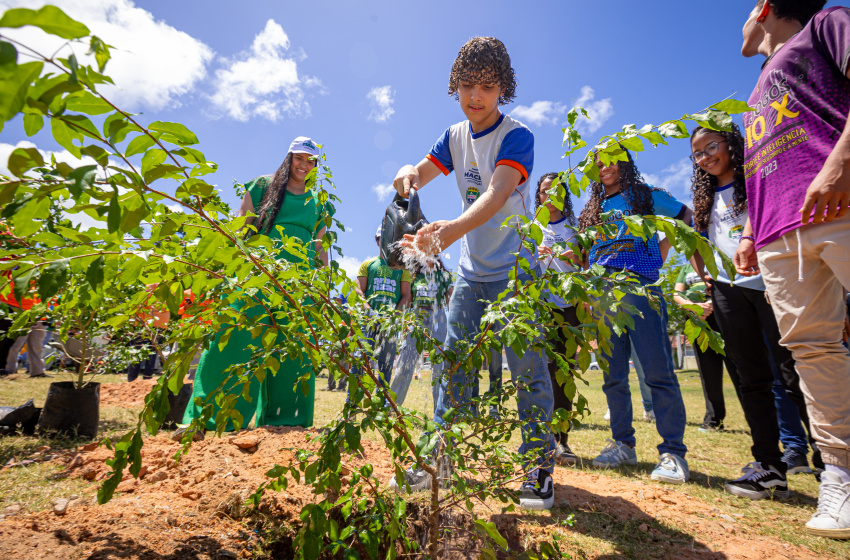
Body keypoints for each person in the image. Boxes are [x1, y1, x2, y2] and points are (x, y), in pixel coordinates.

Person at [386, 37, 556, 510]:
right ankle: (444, 459)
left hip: (517, 269)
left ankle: (537, 466)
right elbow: (417, 173)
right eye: (466, 85)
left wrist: (449, 232)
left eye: (486, 85)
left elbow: (498, 194)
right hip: (471, 272)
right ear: (454, 87)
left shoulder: (516, 136)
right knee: (451, 365)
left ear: (503, 88)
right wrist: (406, 175)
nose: (475, 95)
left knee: (527, 371)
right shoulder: (453, 136)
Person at [735, 1, 850, 536]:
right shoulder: (759, 83)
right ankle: (841, 477)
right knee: (812, 351)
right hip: (781, 234)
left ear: (763, 7)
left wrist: (841, 163)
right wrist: (750, 232)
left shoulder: (827, 25)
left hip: (841, 207)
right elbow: (762, 162)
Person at [690, 123, 823, 500]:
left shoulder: (759, 178)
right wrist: (705, 271)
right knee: (751, 380)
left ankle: (830, 464)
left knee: (794, 374)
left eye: (711, 146)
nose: (706, 157)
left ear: (731, 143)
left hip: (771, 283)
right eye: (698, 153)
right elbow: (703, 238)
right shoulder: (705, 196)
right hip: (728, 292)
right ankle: (769, 465)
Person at [182, 136, 329, 431]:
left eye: (310, 160)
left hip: (297, 285)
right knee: (232, 341)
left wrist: (321, 286)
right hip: (256, 276)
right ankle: (206, 418)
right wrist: (229, 270)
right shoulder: (262, 186)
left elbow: (320, 246)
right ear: (289, 158)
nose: (304, 165)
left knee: (293, 351)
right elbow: (242, 228)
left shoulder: (318, 202)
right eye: (299, 158)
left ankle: (288, 421)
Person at [578, 149, 695, 484]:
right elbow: (589, 252)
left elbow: (685, 216)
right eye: (598, 163)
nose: (604, 167)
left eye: (612, 159)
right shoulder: (595, 208)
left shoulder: (645, 196)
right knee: (613, 376)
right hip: (604, 296)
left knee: (658, 372)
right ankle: (622, 445)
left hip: (641, 289)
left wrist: (663, 249)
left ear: (625, 162)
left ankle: (672, 452)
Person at [535, 172, 582, 467]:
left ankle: (560, 440)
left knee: (562, 371)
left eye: (555, 191)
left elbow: (586, 262)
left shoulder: (576, 228)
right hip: (538, 308)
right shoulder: (531, 228)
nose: (548, 196)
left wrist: (573, 254)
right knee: (538, 370)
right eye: (543, 191)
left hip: (568, 308)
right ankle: (537, 436)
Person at [672, 265, 740, 433]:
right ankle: (713, 420)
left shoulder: (717, 258)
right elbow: (676, 293)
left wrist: (711, 304)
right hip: (698, 320)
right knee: (708, 371)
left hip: (723, 313)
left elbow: (734, 282)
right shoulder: (686, 267)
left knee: (738, 368)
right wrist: (693, 307)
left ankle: (757, 419)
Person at [350, 228, 412, 392]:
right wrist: (369, 310)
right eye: (381, 239)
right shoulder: (368, 264)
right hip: (367, 321)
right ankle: (352, 406)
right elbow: (358, 290)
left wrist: (394, 316)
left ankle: (382, 406)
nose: (384, 243)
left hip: (390, 324)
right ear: (377, 241)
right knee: (360, 360)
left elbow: (406, 296)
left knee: (386, 365)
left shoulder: (403, 269)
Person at [389, 258, 452, 406]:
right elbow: (408, 299)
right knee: (405, 362)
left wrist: (455, 321)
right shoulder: (414, 275)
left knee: (440, 366)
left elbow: (450, 298)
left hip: (439, 316)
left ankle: (440, 411)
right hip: (417, 316)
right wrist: (405, 322)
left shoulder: (444, 275)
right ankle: (392, 406)